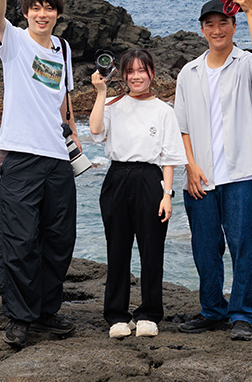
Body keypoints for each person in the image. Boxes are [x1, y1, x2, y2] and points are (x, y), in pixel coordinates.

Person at [0, 0, 81, 349]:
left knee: (58, 238)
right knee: (18, 239)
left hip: (57, 158)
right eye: (35, 8)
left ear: (57, 14)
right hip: (21, 156)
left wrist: (74, 138)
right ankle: (20, 317)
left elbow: (62, 103)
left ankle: (46, 310)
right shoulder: (13, 41)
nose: (42, 14)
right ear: (26, 13)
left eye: (48, 8)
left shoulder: (62, 49)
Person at [173, 0, 252, 342]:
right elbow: (180, 126)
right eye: (210, 25)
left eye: (223, 24)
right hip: (202, 174)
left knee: (242, 246)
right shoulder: (189, 72)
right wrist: (190, 166)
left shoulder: (245, 63)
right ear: (202, 29)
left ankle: (242, 314)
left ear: (233, 26)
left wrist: (251, 12)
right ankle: (212, 309)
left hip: (242, 173)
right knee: (205, 246)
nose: (217, 30)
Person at [89, 49, 185, 339]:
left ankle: (149, 313)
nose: (136, 77)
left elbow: (169, 157)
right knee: (117, 250)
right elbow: (95, 130)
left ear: (152, 74)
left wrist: (167, 194)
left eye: (141, 71)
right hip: (117, 177)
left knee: (151, 250)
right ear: (124, 76)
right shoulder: (113, 104)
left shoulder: (164, 111)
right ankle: (117, 315)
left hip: (150, 179)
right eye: (130, 72)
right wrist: (100, 93)